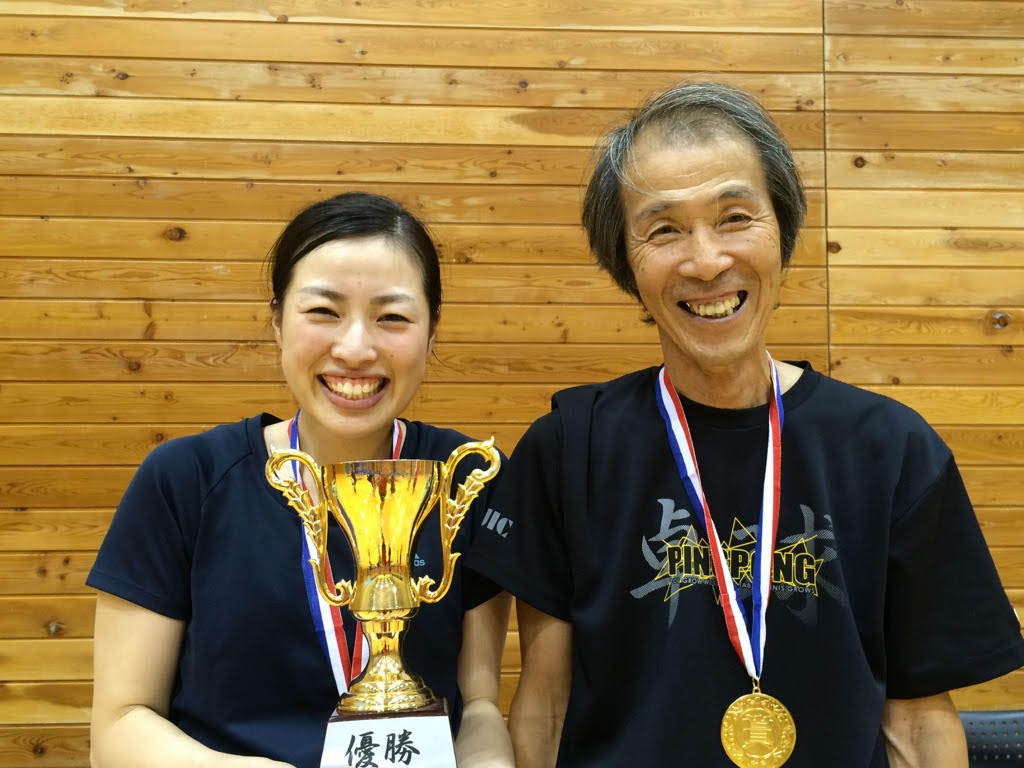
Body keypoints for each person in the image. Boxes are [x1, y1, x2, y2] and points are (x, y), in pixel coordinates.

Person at [465, 82, 1024, 767]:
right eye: (664, 229)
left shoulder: (892, 450)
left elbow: (916, 725)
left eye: (734, 217)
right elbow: (546, 710)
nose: (706, 261)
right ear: (625, 261)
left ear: (781, 229)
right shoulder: (569, 447)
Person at [88, 192, 514, 768]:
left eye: (392, 317)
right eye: (323, 311)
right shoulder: (185, 479)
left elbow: (479, 705)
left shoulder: (466, 478)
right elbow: (120, 726)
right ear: (277, 322)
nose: (355, 348)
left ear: (432, 331)